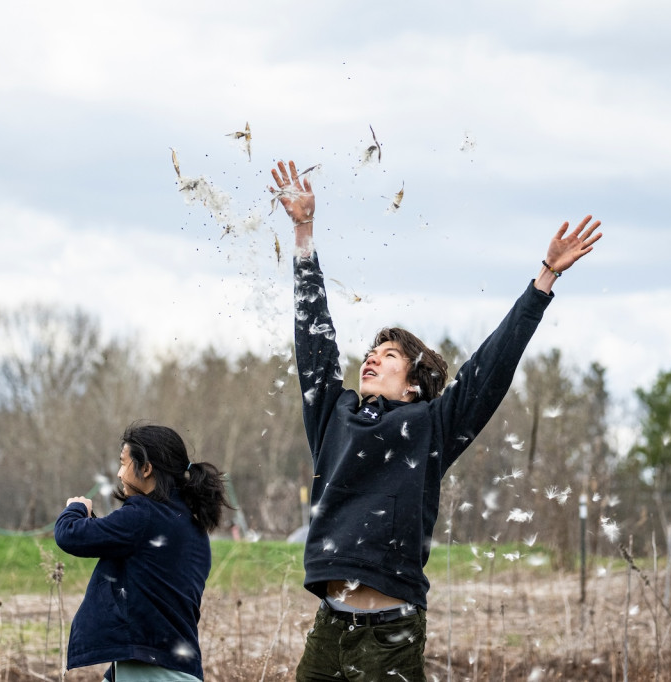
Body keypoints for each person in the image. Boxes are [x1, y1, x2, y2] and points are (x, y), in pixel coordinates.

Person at [270, 159, 603, 681]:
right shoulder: (333, 416)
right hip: (329, 630)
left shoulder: (431, 426)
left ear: (413, 385)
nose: (372, 358)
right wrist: (303, 232)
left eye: (389, 355)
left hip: (391, 633)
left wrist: (545, 279)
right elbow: (314, 338)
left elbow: (489, 370)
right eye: (371, 352)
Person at [54, 421, 233, 681]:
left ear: (146, 468)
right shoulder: (192, 526)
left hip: (152, 672)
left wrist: (76, 508)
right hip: (174, 669)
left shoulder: (142, 516)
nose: (118, 473)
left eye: (123, 463)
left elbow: (69, 534)